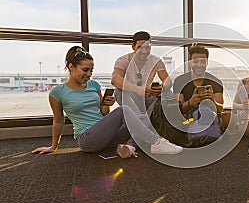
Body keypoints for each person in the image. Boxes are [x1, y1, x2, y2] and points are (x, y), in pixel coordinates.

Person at [32, 46, 183, 156]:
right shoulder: (58, 92)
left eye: (91, 70)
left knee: (144, 117)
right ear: (71, 67)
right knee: (123, 110)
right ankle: (156, 142)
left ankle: (129, 148)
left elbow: (103, 113)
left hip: (107, 136)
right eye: (85, 70)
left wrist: (106, 104)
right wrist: (53, 146)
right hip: (88, 139)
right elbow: (58, 121)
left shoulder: (93, 85)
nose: (89, 74)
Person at [111, 31, 173, 111]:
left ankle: (151, 120)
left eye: (147, 48)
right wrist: (139, 90)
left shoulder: (156, 60)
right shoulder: (124, 60)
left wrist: (162, 87)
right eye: (140, 47)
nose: (144, 51)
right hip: (131, 97)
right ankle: (135, 118)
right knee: (118, 92)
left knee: (168, 93)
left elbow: (167, 81)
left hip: (148, 97)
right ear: (133, 47)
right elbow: (115, 79)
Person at [173, 44, 224, 116]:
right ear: (190, 63)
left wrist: (213, 101)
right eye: (195, 61)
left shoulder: (216, 82)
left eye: (202, 62)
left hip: (209, 120)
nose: (199, 65)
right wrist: (191, 102)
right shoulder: (180, 81)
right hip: (187, 121)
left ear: (207, 63)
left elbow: (220, 110)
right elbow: (177, 111)